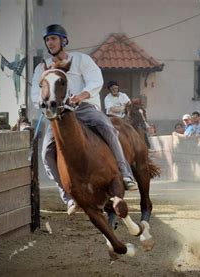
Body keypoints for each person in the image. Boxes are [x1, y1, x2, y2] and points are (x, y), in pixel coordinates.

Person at [31, 24, 138, 215]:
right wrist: (42, 103)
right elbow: (35, 92)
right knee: (46, 152)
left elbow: (96, 81)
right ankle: (67, 195)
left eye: (54, 38)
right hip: (59, 115)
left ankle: (125, 173)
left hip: (85, 108)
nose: (50, 42)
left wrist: (81, 96)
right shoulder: (42, 67)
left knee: (108, 128)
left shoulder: (82, 60)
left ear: (64, 41)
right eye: (47, 39)